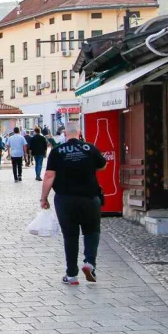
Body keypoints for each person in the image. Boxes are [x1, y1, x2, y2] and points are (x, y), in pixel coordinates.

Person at [40, 122, 107, 286]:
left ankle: (72, 275)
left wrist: (44, 198)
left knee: (70, 236)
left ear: (65, 133)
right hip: (90, 198)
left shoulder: (56, 152)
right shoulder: (90, 149)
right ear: (80, 133)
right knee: (92, 231)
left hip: (65, 199)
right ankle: (89, 263)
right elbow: (103, 165)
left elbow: (49, 175)